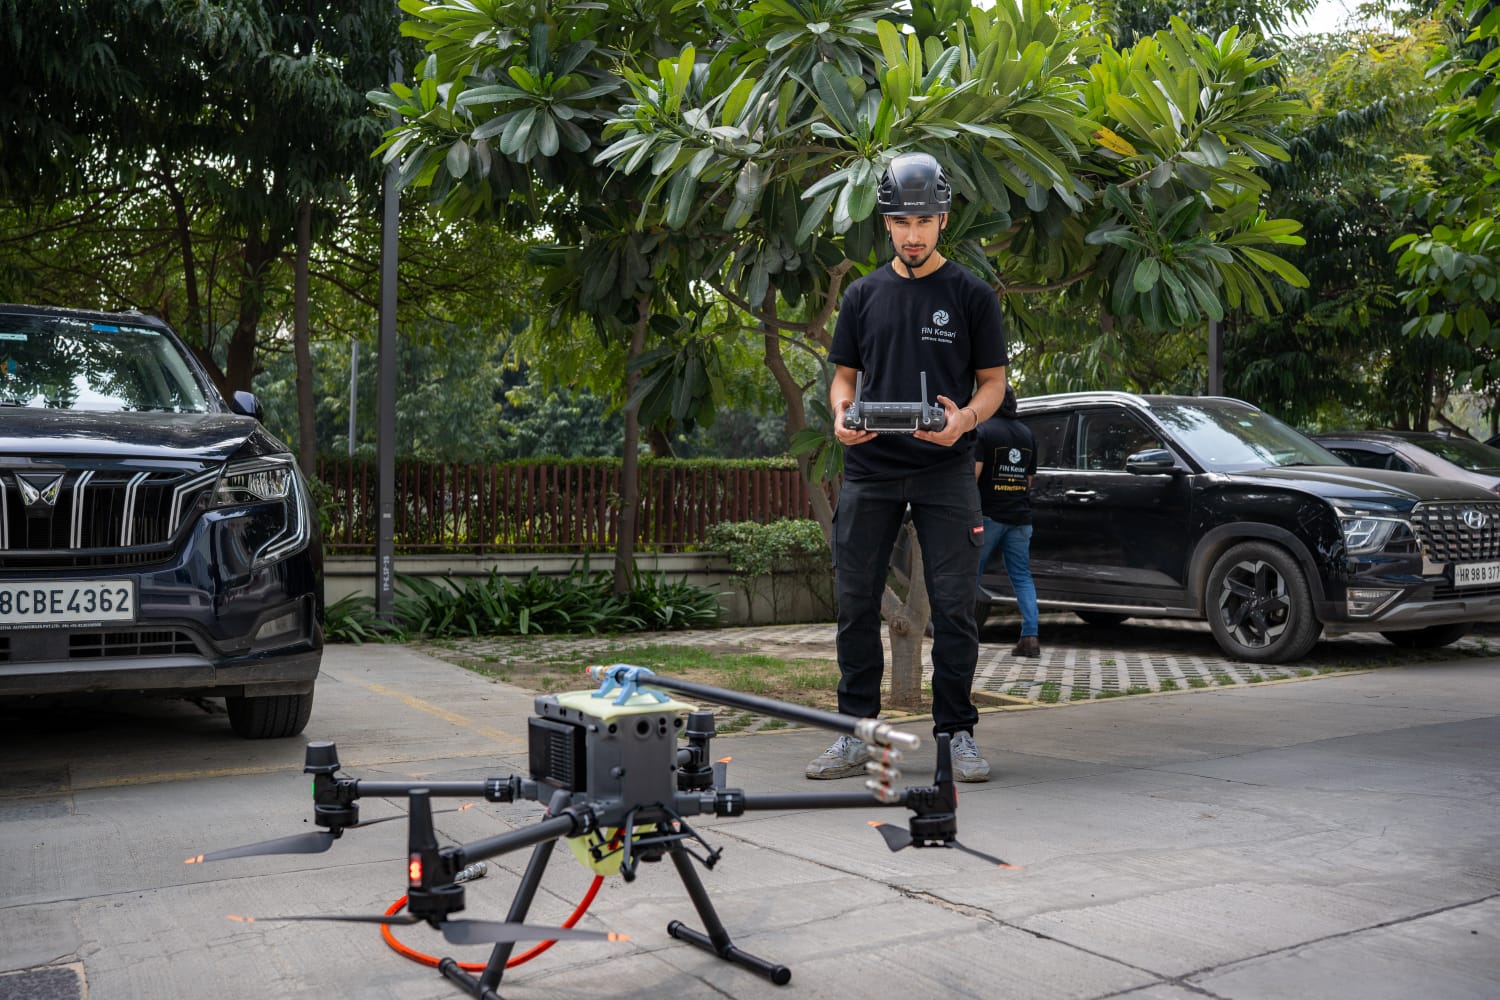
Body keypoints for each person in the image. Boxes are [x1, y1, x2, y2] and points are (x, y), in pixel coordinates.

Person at [806, 151, 1009, 783]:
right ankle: (859, 736)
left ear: (943, 218)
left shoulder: (972, 295)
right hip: (870, 469)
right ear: (886, 224)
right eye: (900, 222)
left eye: (923, 220)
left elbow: (994, 383)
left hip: (945, 470)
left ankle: (956, 735)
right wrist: (843, 417)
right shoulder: (864, 295)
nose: (912, 234)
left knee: (953, 606)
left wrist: (964, 423)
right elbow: (844, 378)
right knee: (854, 603)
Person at [974, 385, 1040, 658]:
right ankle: (1030, 637)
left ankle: (962, 636)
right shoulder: (1027, 434)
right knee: (1022, 577)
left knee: (968, 575)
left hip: (989, 517)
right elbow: (1028, 480)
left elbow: (972, 476)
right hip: (1020, 518)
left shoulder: (983, 431)